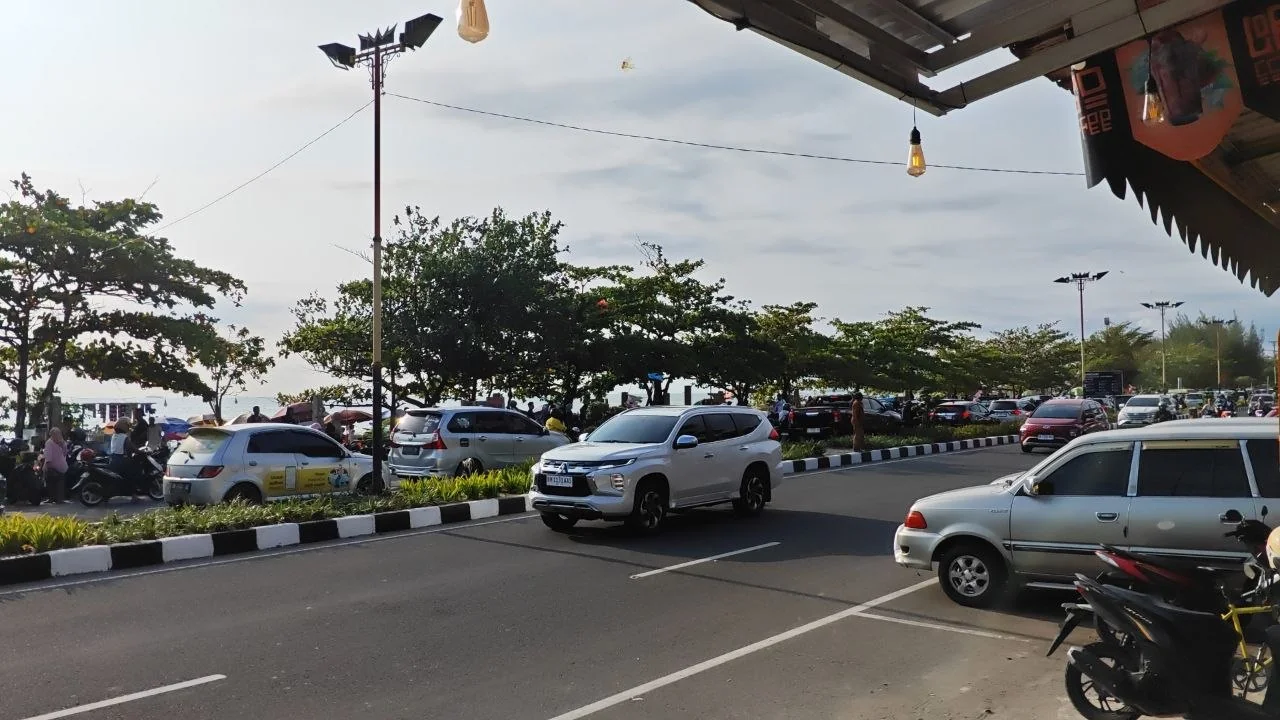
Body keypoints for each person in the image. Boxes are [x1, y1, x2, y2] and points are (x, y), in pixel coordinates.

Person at [42, 427, 69, 504]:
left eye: (59, 434)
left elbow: (49, 457)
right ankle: (57, 499)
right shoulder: (54, 443)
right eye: (56, 435)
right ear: (52, 435)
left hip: (55, 467)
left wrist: (47, 467)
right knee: (58, 483)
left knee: (53, 483)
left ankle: (53, 498)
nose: (58, 436)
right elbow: (64, 454)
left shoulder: (53, 443)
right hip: (59, 467)